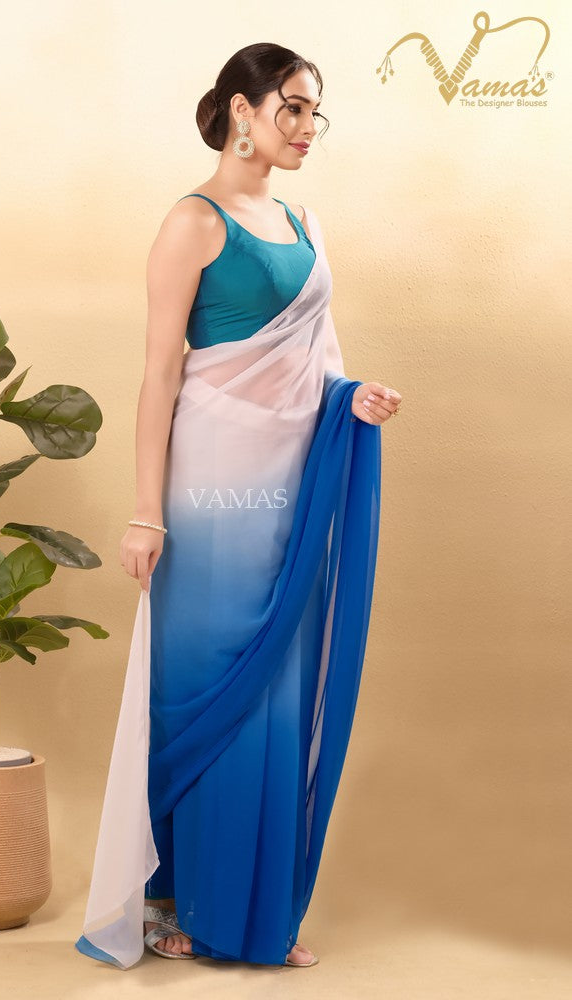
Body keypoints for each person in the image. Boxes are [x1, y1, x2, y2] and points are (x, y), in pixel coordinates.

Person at [75, 41, 402, 971]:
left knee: (274, 685)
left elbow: (317, 364)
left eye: (313, 112)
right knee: (206, 685)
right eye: (290, 107)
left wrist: (354, 400)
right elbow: (159, 374)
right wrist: (146, 512)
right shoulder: (193, 221)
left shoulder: (301, 222)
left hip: (290, 488)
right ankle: (170, 903)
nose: (306, 128)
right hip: (211, 494)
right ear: (240, 111)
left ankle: (251, 913)